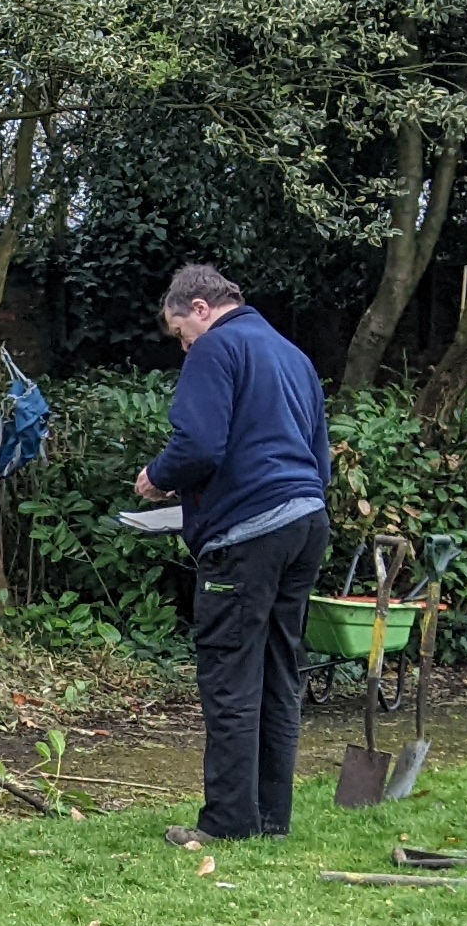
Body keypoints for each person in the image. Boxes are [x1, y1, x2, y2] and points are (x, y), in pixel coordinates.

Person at [130, 264, 332, 842]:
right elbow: (321, 461)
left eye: (180, 334)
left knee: (230, 677)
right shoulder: (293, 356)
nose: (183, 346)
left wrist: (158, 477)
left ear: (199, 307)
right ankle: (272, 819)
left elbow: (197, 444)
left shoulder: (216, 349)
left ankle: (227, 823)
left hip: (246, 538)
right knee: (278, 672)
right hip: (305, 523)